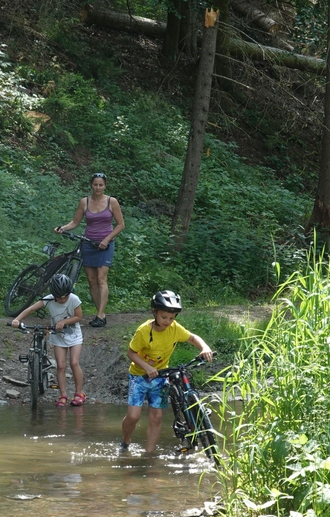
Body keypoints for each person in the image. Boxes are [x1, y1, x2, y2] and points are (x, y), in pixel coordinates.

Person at [120, 290, 213, 453]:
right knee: (133, 416)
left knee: (156, 418)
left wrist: (204, 347)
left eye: (172, 318)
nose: (168, 321)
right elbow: (131, 353)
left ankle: (149, 455)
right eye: (164, 317)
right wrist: (147, 367)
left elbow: (192, 337)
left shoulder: (174, 328)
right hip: (139, 377)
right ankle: (125, 441)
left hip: (161, 377)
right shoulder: (144, 331)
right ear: (154, 313)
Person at [55, 172, 125, 328]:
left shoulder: (112, 202)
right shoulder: (84, 202)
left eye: (101, 185)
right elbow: (75, 222)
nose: (98, 187)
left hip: (106, 245)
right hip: (88, 243)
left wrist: (107, 239)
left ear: (105, 186)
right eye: (95, 184)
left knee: (101, 278)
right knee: (92, 280)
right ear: (91, 185)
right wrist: (63, 228)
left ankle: (100, 314)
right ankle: (101, 313)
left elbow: (121, 224)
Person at [11, 274, 87, 407]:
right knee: (61, 365)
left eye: (65, 296)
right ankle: (63, 394)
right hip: (57, 335)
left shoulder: (74, 299)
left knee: (74, 362)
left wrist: (64, 321)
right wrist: (17, 319)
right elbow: (31, 309)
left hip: (73, 334)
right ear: (54, 295)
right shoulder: (48, 299)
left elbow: (78, 317)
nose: (63, 299)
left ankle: (79, 393)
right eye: (59, 297)